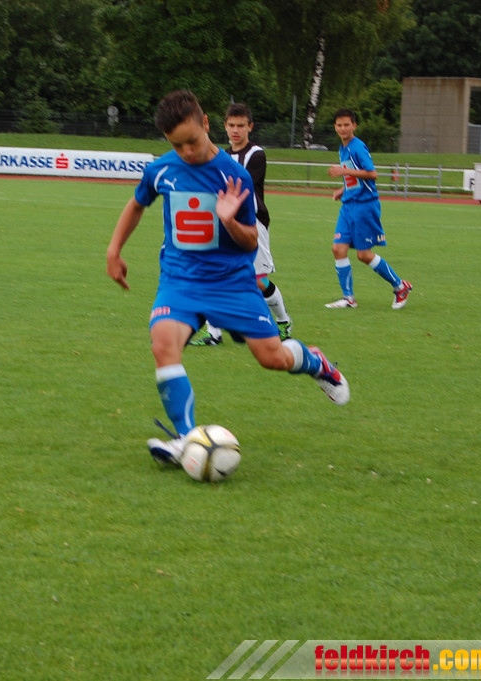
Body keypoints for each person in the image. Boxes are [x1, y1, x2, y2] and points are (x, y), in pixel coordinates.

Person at [106, 90, 349, 466]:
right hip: (180, 281)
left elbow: (251, 240)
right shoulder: (161, 169)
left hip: (232, 283)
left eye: (192, 141)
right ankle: (185, 437)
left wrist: (229, 219)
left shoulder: (234, 176)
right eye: (176, 145)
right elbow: (137, 203)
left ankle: (316, 362)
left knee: (272, 358)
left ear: (205, 124)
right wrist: (114, 250)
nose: (186, 151)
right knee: (163, 345)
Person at [189, 102, 293, 346]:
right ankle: (213, 333)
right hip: (224, 222)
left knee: (259, 281)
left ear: (250, 127)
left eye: (241, 126)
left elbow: (239, 184)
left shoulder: (256, 154)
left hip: (252, 222)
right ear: (225, 126)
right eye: (232, 125)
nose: (236, 130)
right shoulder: (222, 155)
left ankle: (283, 322)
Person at [325, 109, 412, 310]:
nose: (343, 128)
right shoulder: (343, 148)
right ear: (335, 127)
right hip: (349, 205)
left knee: (363, 255)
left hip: (364, 206)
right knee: (338, 249)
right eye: (339, 125)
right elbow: (354, 178)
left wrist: (343, 171)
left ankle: (400, 287)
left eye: (347, 124)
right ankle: (348, 298)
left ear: (354, 126)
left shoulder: (357, 147)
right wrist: (343, 189)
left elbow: (372, 174)